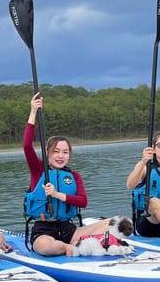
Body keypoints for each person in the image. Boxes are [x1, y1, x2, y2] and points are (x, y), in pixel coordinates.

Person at [24, 93, 127, 256]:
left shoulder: (74, 176)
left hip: (69, 229)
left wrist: (57, 194)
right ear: (47, 153)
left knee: (121, 223)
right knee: (47, 247)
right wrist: (33, 112)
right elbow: (27, 145)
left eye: (65, 152)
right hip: (44, 231)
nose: (60, 156)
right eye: (56, 151)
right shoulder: (38, 171)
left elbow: (83, 201)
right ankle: (71, 247)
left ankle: (80, 243)